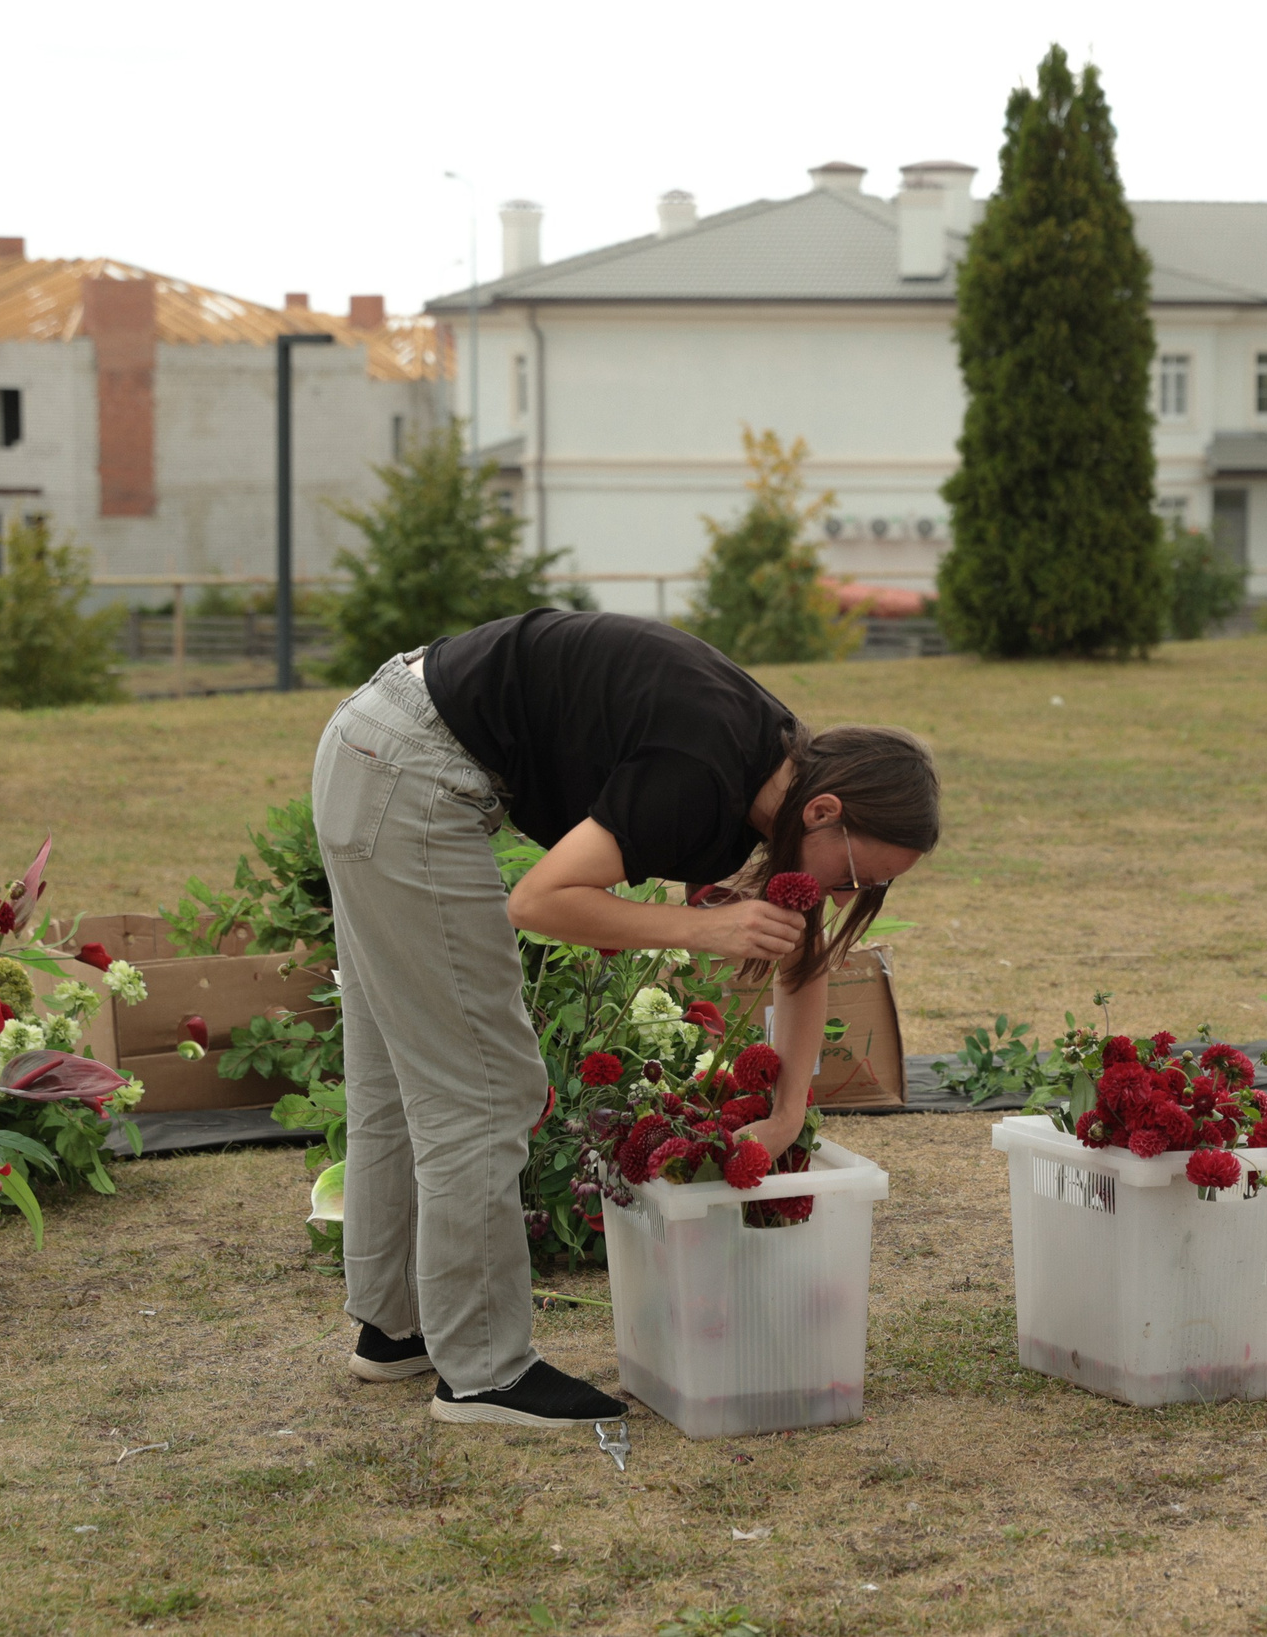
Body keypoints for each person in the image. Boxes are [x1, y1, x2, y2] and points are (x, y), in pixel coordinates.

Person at [311, 609, 940, 1426]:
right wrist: (704, 927)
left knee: (401, 1074)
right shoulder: (704, 770)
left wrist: (785, 1118)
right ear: (824, 811)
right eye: (859, 874)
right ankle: (484, 1373)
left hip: (379, 747)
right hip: (408, 772)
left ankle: (394, 1328)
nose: (852, 895)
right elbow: (539, 900)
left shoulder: (778, 764)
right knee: (487, 1084)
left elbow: (801, 952)